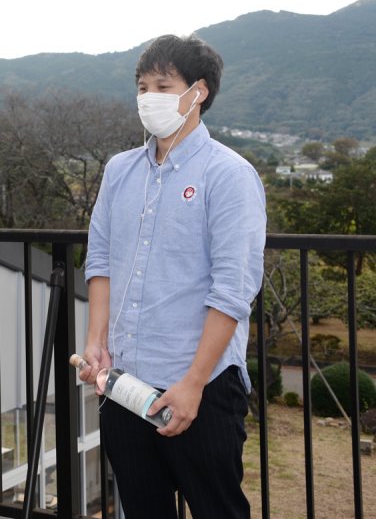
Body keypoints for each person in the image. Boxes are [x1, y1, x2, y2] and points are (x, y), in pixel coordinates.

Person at [80, 34, 266, 518]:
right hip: (125, 384)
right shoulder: (119, 170)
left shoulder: (229, 174)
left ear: (197, 92)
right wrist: (97, 340)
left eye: (163, 86)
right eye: (142, 87)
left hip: (200, 385)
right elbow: (99, 259)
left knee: (216, 509)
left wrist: (193, 384)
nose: (148, 98)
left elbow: (233, 288)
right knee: (141, 509)